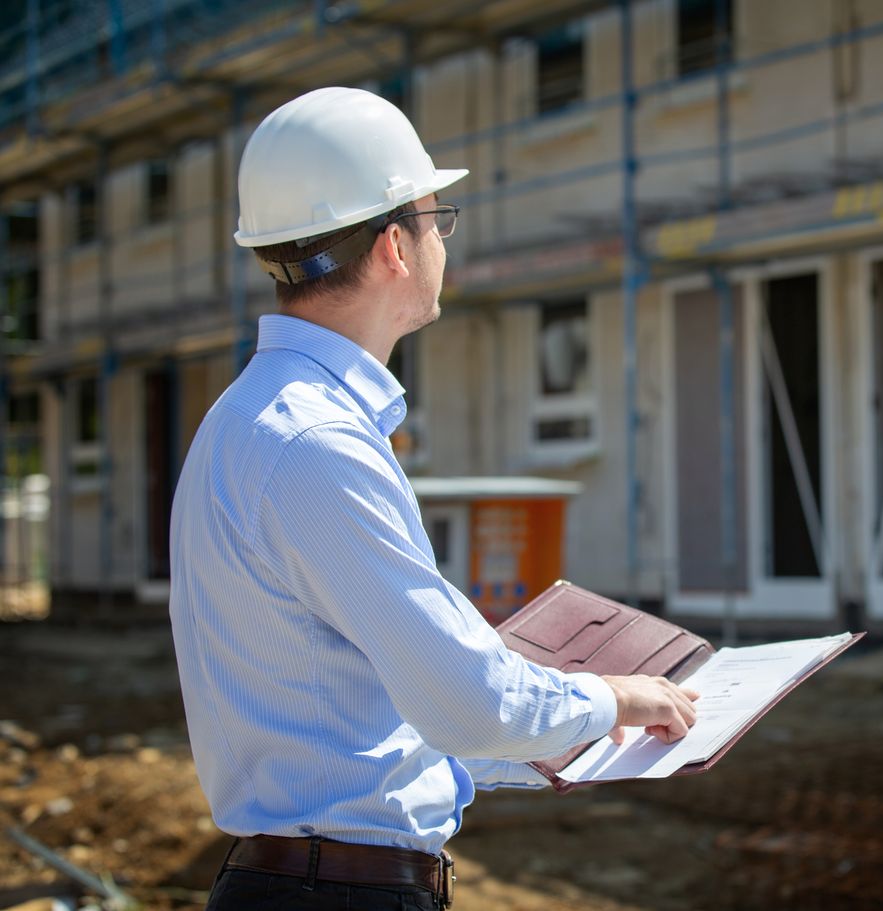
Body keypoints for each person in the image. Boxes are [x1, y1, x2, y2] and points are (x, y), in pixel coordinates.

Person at [169, 86, 699, 910]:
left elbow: (379, 709)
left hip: (303, 882)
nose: (441, 240)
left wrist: (558, 728)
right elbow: (466, 699)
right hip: (339, 895)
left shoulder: (249, 424)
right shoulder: (318, 445)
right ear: (393, 246)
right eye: (435, 219)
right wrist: (619, 694)